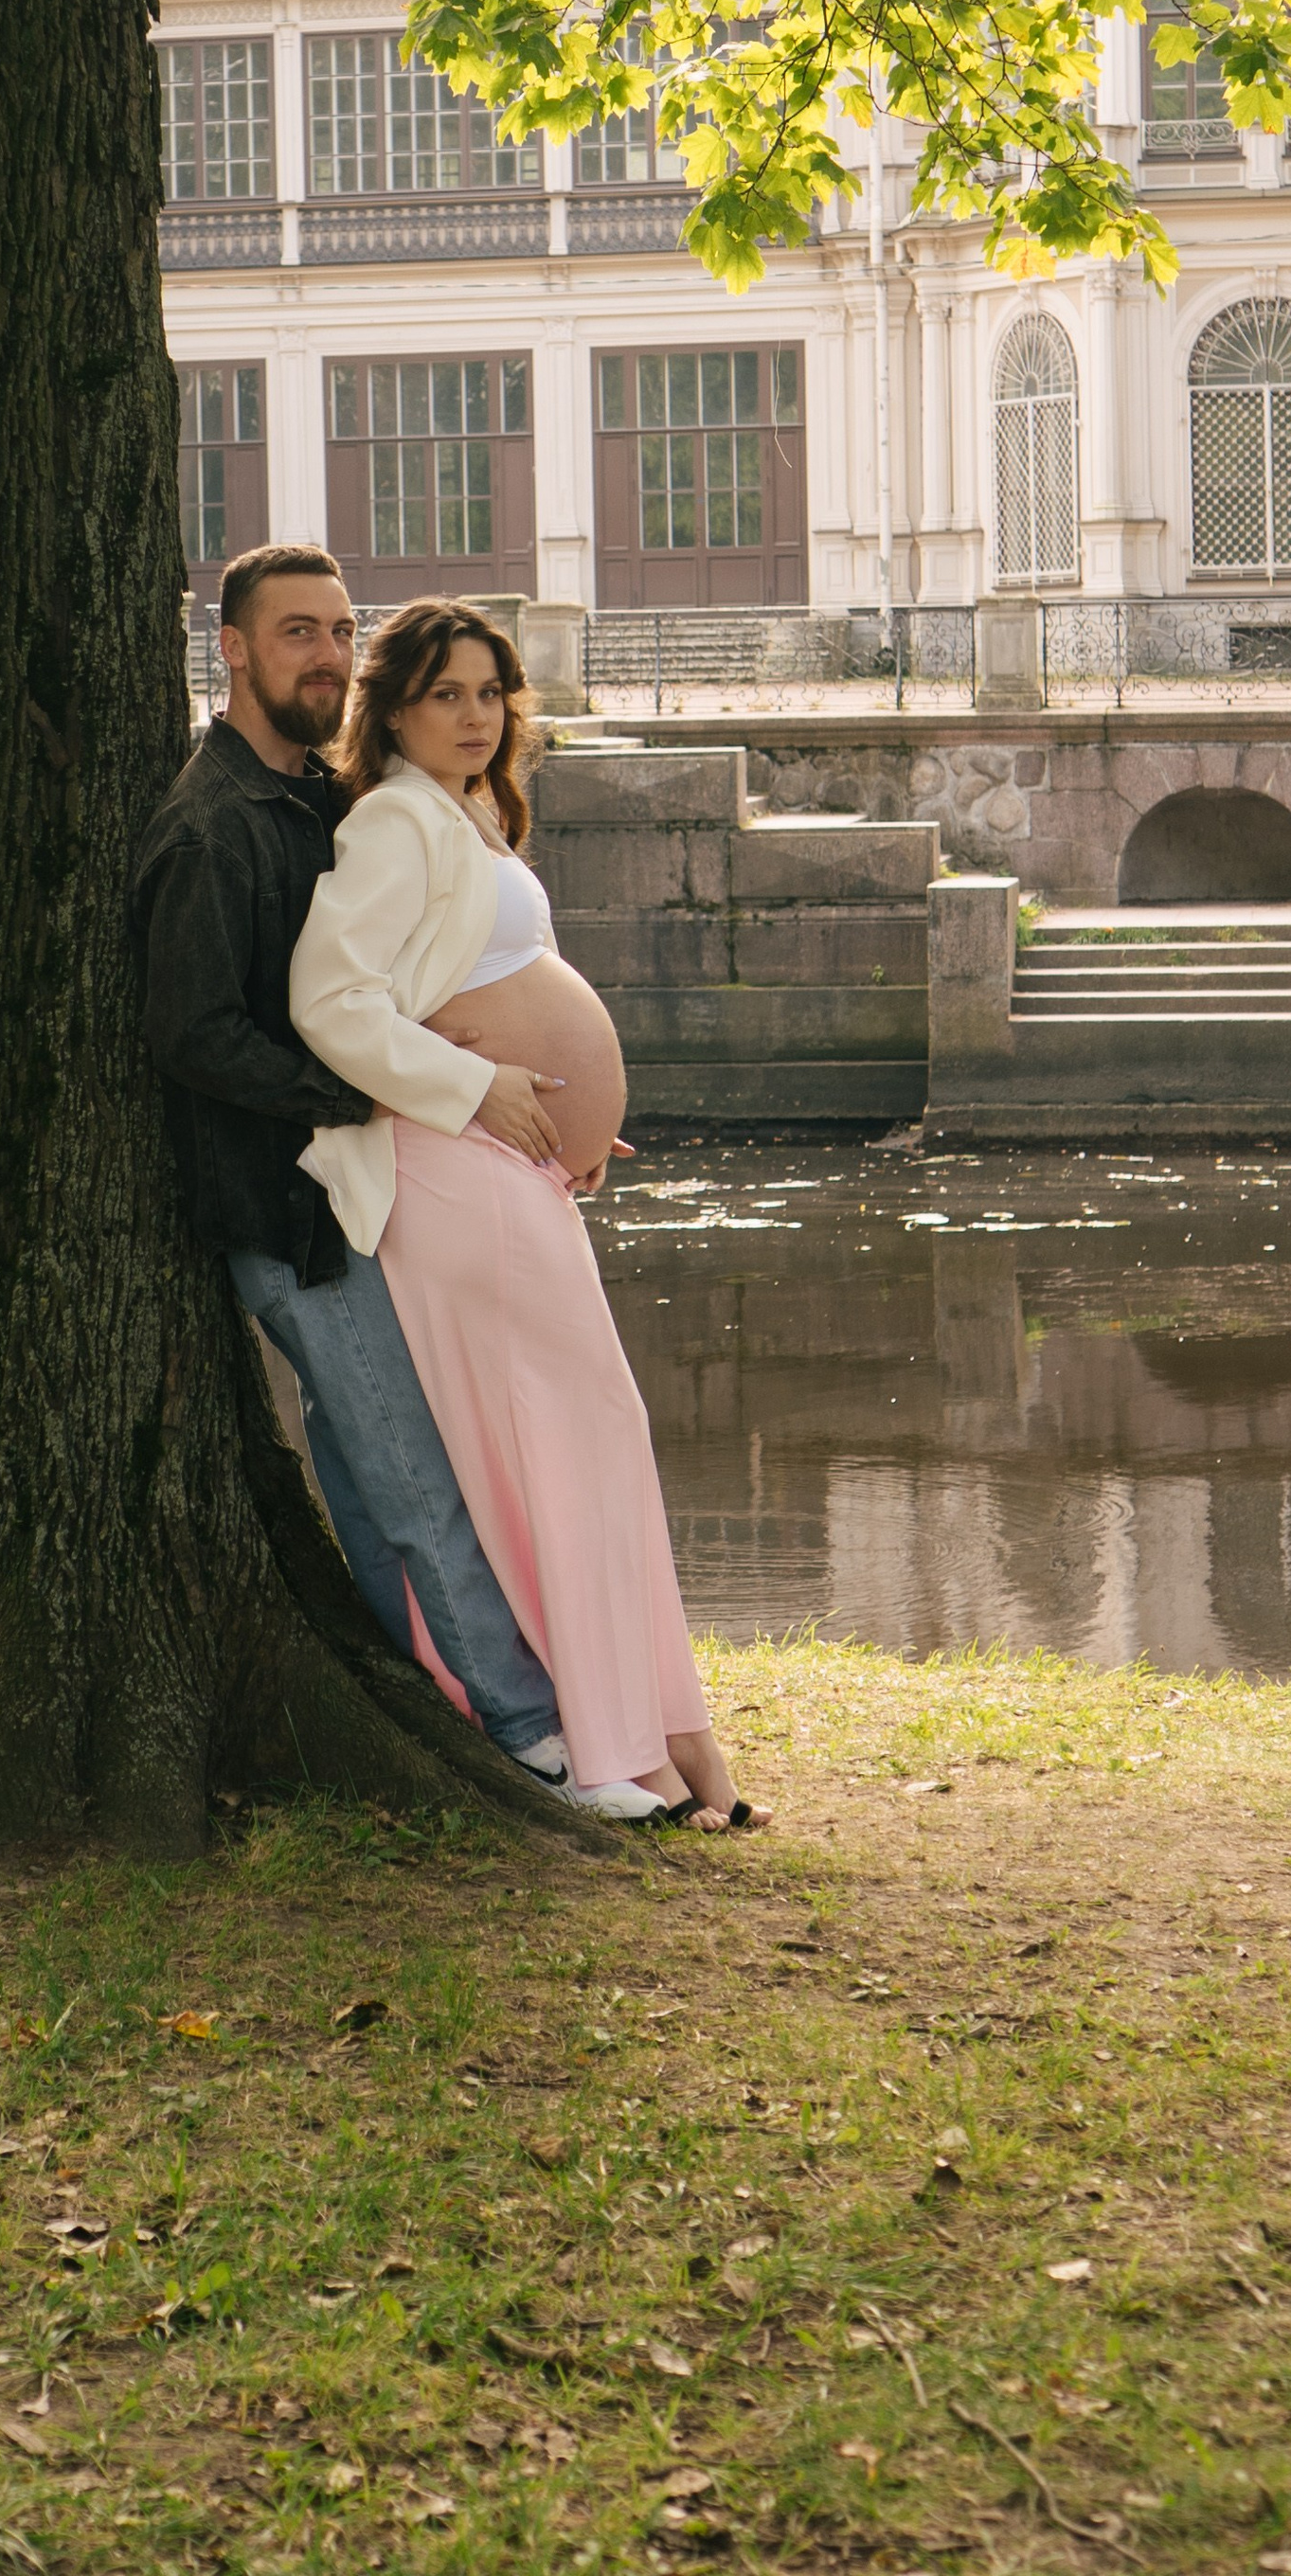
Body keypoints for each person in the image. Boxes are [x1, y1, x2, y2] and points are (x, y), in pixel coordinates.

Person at [133, 544, 612, 1805]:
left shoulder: (320, 798)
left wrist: (542, 1093)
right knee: (409, 1472)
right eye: (298, 632)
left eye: (343, 631)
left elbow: (409, 980)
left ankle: (422, 1691)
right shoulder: (212, 825)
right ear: (232, 648)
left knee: (365, 1466)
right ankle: (531, 1734)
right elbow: (194, 1035)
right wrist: (386, 1089)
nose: (329, 656)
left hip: (371, 1188)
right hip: (288, 1210)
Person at [290, 599, 761, 1829]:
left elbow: (481, 981)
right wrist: (482, 1087)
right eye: (445, 694)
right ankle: (610, 1748)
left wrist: (574, 1122)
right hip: (447, 1166)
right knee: (562, 1437)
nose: (475, 715)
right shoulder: (394, 821)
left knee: (581, 1434)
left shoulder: (472, 816)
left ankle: (666, 1745)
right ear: (394, 709)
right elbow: (330, 1003)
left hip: (507, 1167)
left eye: (491, 693)